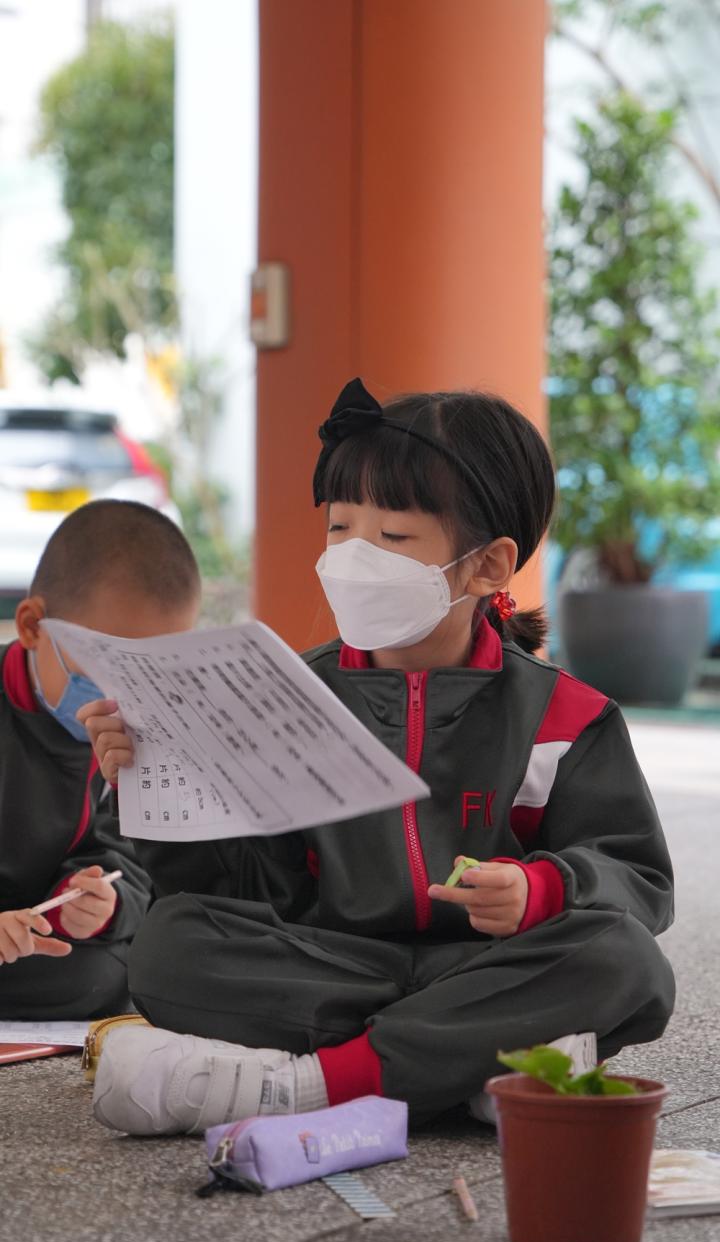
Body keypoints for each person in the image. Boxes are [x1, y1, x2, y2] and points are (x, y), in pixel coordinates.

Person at [84, 380, 675, 1134]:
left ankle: (312, 1084)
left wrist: (542, 889)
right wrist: (149, 782)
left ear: (488, 566)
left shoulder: (565, 716)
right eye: (340, 527)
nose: (353, 558)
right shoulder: (282, 697)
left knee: (623, 960)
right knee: (172, 943)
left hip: (484, 964)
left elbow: (639, 880)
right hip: (333, 964)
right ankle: (473, 1059)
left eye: (393, 536)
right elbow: (237, 891)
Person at [0, 499, 201, 1018]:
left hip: (44, 950)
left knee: (122, 969)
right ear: (32, 626)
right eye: (108, 667)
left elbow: (131, 862)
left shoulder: (134, 731)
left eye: (148, 674)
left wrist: (97, 905)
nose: (120, 698)